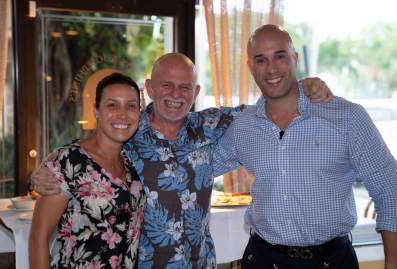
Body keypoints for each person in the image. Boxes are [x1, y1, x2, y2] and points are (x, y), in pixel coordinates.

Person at [31, 53, 333, 268]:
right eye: (166, 85)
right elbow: (80, 160)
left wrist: (303, 87)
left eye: (185, 87)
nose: (175, 94)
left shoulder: (210, 125)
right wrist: (38, 173)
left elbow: (266, 109)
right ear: (149, 89)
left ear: (196, 92)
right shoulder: (127, 133)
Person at [212, 24, 397, 269]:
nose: (272, 68)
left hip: (332, 261)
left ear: (295, 58)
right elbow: (198, 168)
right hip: (263, 259)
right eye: (261, 60)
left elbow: (389, 189)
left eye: (280, 56)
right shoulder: (243, 127)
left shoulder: (347, 117)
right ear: (250, 66)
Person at [29, 73, 146, 269]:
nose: (122, 114)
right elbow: (38, 238)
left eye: (131, 105)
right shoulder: (68, 161)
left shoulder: (132, 161)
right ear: (96, 111)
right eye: (112, 104)